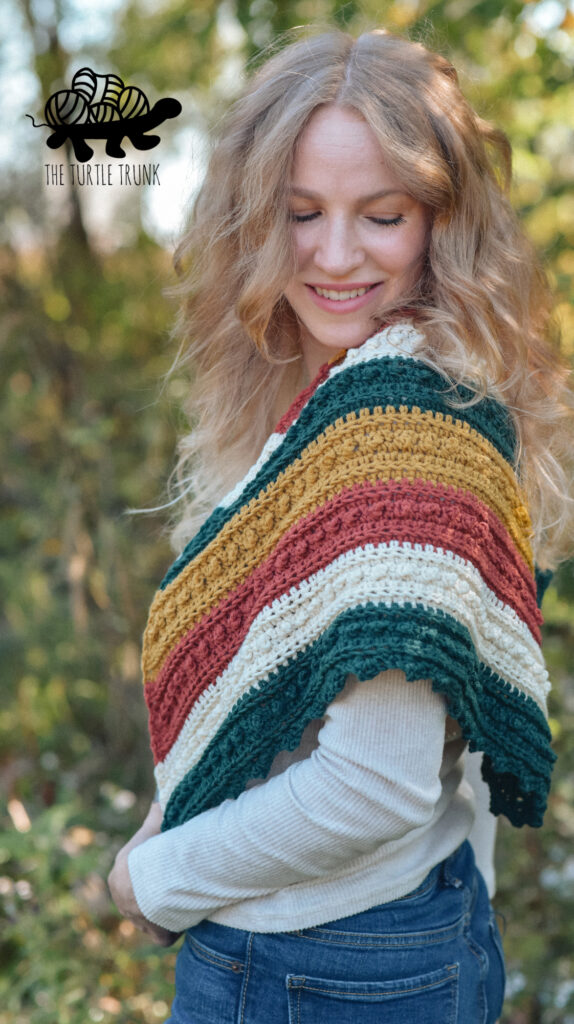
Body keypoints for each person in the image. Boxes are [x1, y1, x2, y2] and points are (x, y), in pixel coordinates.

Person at [108, 27, 574, 1023]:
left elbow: (375, 782)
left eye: (382, 215)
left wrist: (148, 880)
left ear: (442, 223)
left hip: (320, 966)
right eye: (300, 212)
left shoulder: (395, 432)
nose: (332, 254)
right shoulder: (350, 393)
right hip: (394, 935)